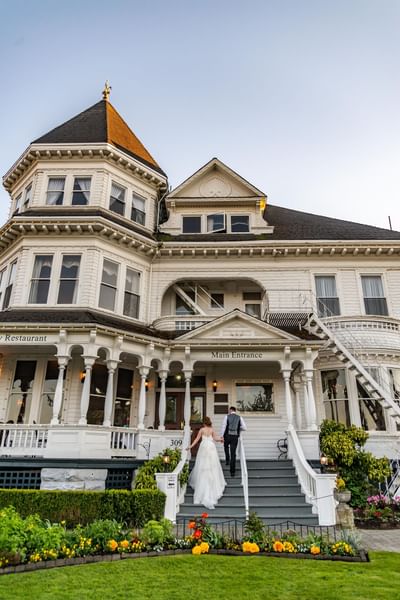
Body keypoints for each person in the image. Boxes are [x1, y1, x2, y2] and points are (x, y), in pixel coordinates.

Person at [186, 416, 226, 510]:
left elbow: (197, 439)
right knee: (212, 466)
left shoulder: (202, 430)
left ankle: (202, 490)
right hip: (211, 447)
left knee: (203, 465)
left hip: (204, 447)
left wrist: (190, 446)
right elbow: (216, 438)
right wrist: (221, 439)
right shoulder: (211, 430)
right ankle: (211, 486)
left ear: (204, 423)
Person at [221, 406, 247, 477]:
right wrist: (238, 428)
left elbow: (223, 426)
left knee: (226, 446)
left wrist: (222, 436)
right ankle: (232, 472)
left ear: (230, 410)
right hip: (235, 437)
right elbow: (244, 428)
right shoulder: (239, 417)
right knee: (233, 454)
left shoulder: (226, 417)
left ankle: (227, 460)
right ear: (235, 411)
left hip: (227, 436)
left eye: (229, 410)